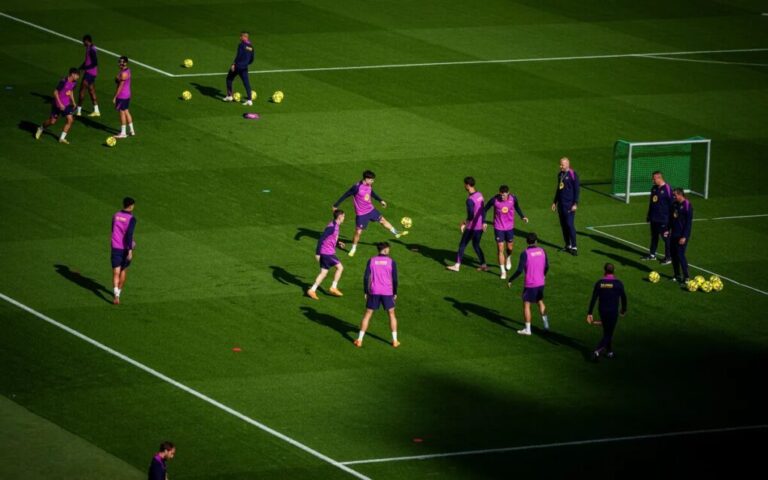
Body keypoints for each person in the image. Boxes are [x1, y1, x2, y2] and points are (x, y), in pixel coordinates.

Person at [332, 170, 406, 257]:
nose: (372, 181)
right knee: (358, 232)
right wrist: (336, 205)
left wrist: (380, 200)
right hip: (361, 214)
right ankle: (353, 248)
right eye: (371, 180)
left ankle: (396, 232)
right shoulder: (356, 187)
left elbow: (372, 193)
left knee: (383, 220)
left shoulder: (369, 185)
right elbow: (346, 194)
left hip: (371, 210)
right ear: (366, 179)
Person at [354, 242, 400, 348]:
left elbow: (366, 277)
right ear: (385, 250)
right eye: (388, 249)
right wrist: (395, 292)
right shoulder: (391, 262)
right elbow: (395, 279)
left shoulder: (371, 260)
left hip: (374, 291)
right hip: (387, 292)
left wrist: (366, 291)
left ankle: (359, 340)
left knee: (367, 315)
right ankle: (395, 341)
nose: (389, 250)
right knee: (391, 315)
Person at [507, 232, 549, 335]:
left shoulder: (525, 253)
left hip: (530, 283)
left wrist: (511, 279)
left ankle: (528, 329)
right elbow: (547, 266)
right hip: (541, 282)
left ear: (527, 241)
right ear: (536, 241)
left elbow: (519, 270)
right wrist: (543, 275)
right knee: (540, 301)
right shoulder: (542, 251)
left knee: (526, 304)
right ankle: (546, 325)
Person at [484, 184, 528, 279]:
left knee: (510, 247)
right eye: (501, 195)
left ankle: (508, 258)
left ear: (508, 193)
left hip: (509, 227)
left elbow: (517, 207)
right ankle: (503, 271)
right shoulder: (494, 200)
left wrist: (522, 216)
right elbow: (485, 209)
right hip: (498, 227)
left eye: (504, 195)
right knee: (500, 249)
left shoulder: (513, 199)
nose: (502, 197)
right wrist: (484, 222)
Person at [586, 263, 627, 361]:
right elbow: (624, 298)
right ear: (614, 271)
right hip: (613, 311)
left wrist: (590, 313)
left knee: (607, 331)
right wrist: (623, 309)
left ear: (604, 270)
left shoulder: (600, 283)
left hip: (602, 310)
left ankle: (609, 352)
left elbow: (593, 299)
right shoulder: (618, 283)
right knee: (609, 333)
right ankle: (597, 351)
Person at [446, 177, 487, 272]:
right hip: (480, 226)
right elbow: (483, 210)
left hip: (472, 227)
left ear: (468, 185)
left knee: (462, 244)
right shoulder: (480, 195)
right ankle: (483, 264)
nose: (464, 186)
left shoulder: (470, 200)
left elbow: (471, 215)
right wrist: (484, 222)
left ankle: (457, 266)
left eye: (464, 184)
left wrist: (464, 223)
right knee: (476, 245)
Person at [307, 210, 346, 299]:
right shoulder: (331, 227)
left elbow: (331, 237)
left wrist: (338, 243)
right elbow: (321, 239)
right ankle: (333, 287)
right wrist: (317, 253)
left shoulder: (335, 225)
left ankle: (312, 290)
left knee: (323, 273)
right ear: (339, 217)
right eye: (343, 216)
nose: (344, 218)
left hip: (326, 252)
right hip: (327, 253)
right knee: (340, 268)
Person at [35, 68, 79, 144]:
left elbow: (71, 91)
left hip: (67, 104)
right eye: (77, 75)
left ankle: (62, 138)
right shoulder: (63, 81)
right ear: (72, 74)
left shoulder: (74, 83)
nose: (78, 77)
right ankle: (41, 128)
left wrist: (73, 102)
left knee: (70, 120)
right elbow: (55, 92)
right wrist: (60, 104)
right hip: (57, 104)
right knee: (52, 121)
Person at [641, 171, 673, 264]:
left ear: (659, 178)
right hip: (654, 218)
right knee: (654, 237)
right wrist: (649, 215)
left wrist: (672, 219)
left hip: (664, 219)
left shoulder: (667, 189)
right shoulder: (654, 188)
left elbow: (672, 204)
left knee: (666, 239)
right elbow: (651, 203)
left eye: (654, 179)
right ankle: (652, 255)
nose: (652, 180)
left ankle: (668, 257)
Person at [551, 157, 580, 255]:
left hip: (569, 205)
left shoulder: (573, 174)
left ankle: (574, 247)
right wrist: (555, 202)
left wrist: (575, 203)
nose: (560, 166)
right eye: (560, 164)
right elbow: (558, 189)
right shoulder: (560, 174)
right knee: (563, 226)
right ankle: (568, 245)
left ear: (567, 164)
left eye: (562, 165)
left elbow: (577, 189)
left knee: (570, 225)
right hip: (561, 205)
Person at [111, 197, 137, 305]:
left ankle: (115, 294)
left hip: (115, 246)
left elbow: (113, 229)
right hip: (125, 248)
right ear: (131, 206)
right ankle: (119, 293)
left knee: (116, 272)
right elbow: (129, 234)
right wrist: (130, 250)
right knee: (123, 270)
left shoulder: (115, 215)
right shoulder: (131, 218)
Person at [222, 31, 255, 105]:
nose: (240, 37)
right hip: (244, 67)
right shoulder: (251, 47)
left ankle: (229, 96)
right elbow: (252, 59)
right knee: (246, 83)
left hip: (238, 66)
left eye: (241, 36)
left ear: (245, 37)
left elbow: (239, 55)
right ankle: (249, 100)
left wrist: (234, 64)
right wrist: (246, 63)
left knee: (229, 79)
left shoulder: (241, 45)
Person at [670, 188, 693, 285]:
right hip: (673, 234)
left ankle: (686, 277)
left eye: (675, 195)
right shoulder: (674, 204)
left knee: (680, 255)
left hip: (681, 236)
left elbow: (688, 223)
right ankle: (677, 275)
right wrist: (667, 229)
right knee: (673, 255)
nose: (673, 196)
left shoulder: (687, 205)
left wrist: (684, 236)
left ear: (680, 195)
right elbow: (671, 219)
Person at [76, 34, 100, 117]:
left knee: (82, 90)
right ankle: (96, 110)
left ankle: (78, 111)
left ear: (86, 41)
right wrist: (80, 68)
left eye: (83, 41)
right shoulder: (90, 48)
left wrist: (86, 68)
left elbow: (95, 62)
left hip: (89, 73)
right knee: (91, 90)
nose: (83, 43)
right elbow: (87, 61)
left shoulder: (92, 49)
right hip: (92, 73)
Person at [113, 56, 134, 138]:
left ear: (125, 63)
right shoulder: (127, 70)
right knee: (126, 111)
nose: (120, 63)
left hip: (122, 95)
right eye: (119, 61)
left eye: (121, 62)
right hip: (127, 94)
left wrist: (115, 96)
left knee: (122, 113)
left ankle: (123, 133)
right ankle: (132, 130)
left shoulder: (123, 73)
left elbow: (120, 86)